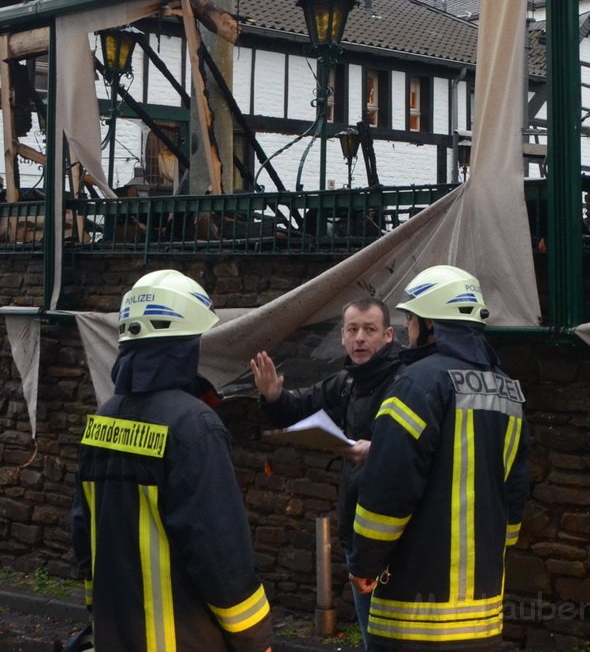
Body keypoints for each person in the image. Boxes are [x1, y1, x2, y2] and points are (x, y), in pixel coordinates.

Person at [71, 269, 273, 652]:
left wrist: (98, 611)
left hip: (113, 635)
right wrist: (254, 636)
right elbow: (219, 549)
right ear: (185, 344)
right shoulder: (194, 426)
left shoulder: (103, 420)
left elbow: (83, 534)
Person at [348, 265, 530, 652]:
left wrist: (365, 564)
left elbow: (388, 491)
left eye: (412, 319)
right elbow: (514, 496)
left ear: (430, 324)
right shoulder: (508, 391)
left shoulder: (417, 384)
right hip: (482, 616)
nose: (410, 329)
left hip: (414, 616)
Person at [249, 296, 402, 646]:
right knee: (372, 637)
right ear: (343, 338)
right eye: (352, 330)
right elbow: (300, 405)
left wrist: (376, 451)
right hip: (356, 529)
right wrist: (273, 397)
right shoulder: (346, 381)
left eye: (369, 329)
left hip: (396, 536)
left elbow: (421, 448)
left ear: (389, 335)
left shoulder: (406, 381)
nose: (360, 338)